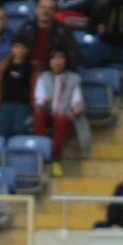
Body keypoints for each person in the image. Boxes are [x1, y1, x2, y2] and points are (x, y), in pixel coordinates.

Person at [33, 48, 89, 176]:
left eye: (60, 58)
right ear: (50, 61)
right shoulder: (43, 77)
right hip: (48, 112)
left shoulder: (74, 78)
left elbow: (77, 100)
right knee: (38, 116)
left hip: (65, 114)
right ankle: (43, 154)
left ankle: (55, 159)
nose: (57, 62)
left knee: (62, 119)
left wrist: (77, 107)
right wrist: (43, 105)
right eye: (54, 59)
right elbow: (39, 100)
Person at [16, 0, 82, 82]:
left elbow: (74, 56)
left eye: (50, 9)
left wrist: (55, 65)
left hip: (53, 72)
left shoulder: (63, 30)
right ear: (37, 10)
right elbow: (16, 48)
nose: (45, 11)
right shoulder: (27, 27)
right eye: (42, 7)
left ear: (55, 12)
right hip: (28, 70)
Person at [0, 38, 33, 138]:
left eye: (22, 48)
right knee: (2, 130)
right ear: (12, 49)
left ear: (27, 50)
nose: (19, 50)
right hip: (5, 101)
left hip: (22, 103)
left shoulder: (32, 66)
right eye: (16, 47)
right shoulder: (5, 64)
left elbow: (33, 86)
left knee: (18, 130)